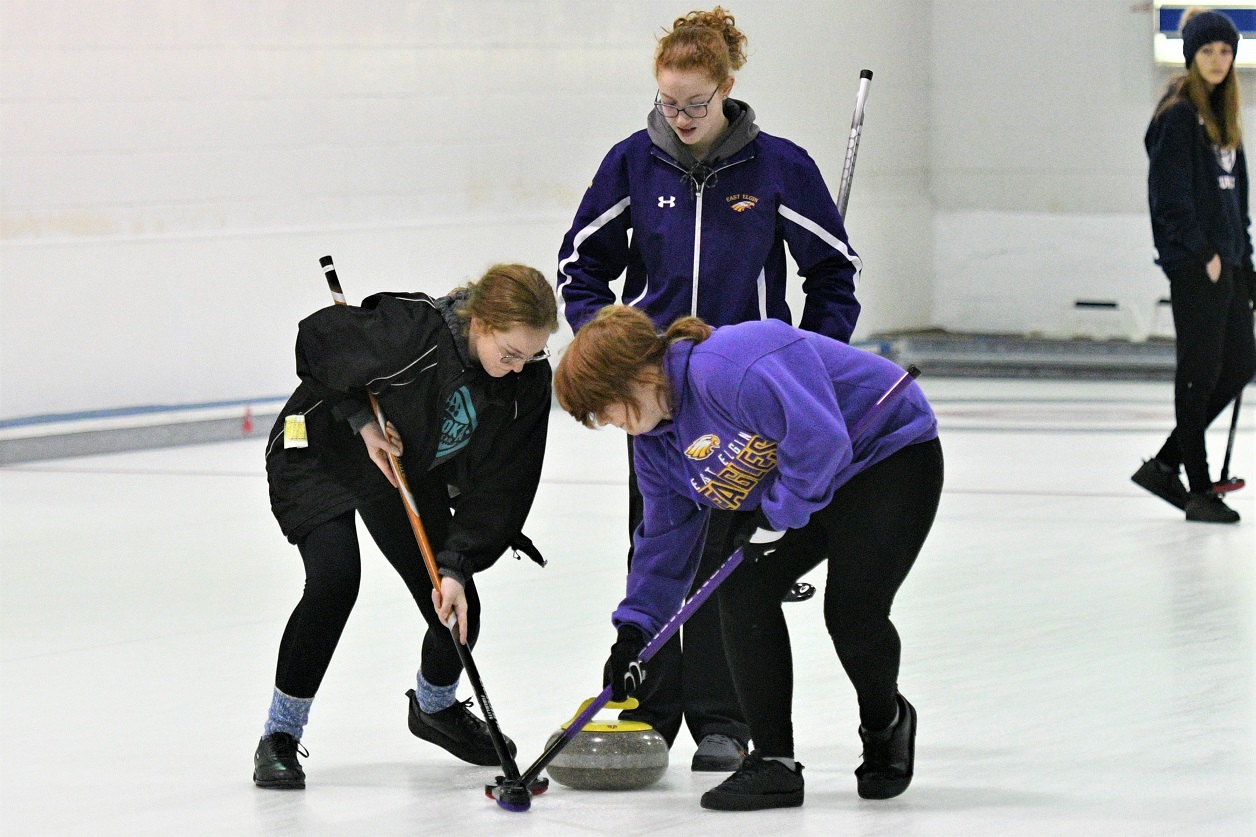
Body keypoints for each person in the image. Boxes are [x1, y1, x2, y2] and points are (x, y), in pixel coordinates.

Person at [556, 5, 862, 771]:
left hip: (743, 397)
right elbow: (580, 264)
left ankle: (723, 719)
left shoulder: (778, 168)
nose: (681, 117)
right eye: (668, 102)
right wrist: (609, 343)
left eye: (695, 102)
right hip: (652, 394)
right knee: (658, 540)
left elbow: (833, 273)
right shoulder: (633, 162)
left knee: (728, 554)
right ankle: (648, 700)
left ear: (727, 87)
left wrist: (810, 362)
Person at [553, 305, 942, 810]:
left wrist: (775, 516)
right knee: (739, 590)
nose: (605, 421)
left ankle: (885, 721)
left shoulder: (732, 368)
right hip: (801, 488)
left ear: (640, 374)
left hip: (884, 457)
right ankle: (774, 764)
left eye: (603, 406)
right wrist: (634, 633)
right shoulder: (654, 445)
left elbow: (821, 442)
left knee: (851, 612)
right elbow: (664, 544)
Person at [252, 263, 558, 789]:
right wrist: (361, 419)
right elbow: (319, 341)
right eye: (509, 354)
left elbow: (505, 486)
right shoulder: (412, 330)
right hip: (321, 446)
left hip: (395, 470)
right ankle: (278, 736)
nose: (517, 368)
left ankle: (435, 709)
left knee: (455, 605)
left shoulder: (525, 383)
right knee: (334, 580)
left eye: (532, 355)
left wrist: (460, 565)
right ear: (480, 322)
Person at [1133, 7, 1256, 524]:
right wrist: (1200, 255)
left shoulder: (1225, 118)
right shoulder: (1178, 116)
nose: (1218, 60)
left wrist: (1244, 263)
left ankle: (1166, 462)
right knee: (1200, 374)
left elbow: (1237, 203)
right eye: (1207, 51)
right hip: (1197, 268)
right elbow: (1169, 199)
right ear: (1191, 56)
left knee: (1241, 362)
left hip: (1228, 265)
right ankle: (1199, 487)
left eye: (1225, 51)